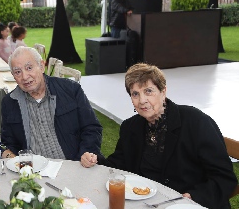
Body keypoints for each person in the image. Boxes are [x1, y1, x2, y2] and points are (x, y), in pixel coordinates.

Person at [96, 63, 238, 209]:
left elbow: (224, 178)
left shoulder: (195, 121)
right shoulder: (130, 127)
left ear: (163, 92)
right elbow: (120, 164)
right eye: (135, 94)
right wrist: (96, 160)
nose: (142, 100)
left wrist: (193, 197)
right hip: (147, 204)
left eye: (148, 91)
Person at [1, 47, 104, 162]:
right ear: (13, 75)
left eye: (29, 68)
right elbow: (9, 143)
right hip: (35, 171)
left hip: (74, 164)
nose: (25, 77)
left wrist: (86, 152)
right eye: (18, 72)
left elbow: (91, 127)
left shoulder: (70, 90)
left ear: (41, 66)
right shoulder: (9, 103)